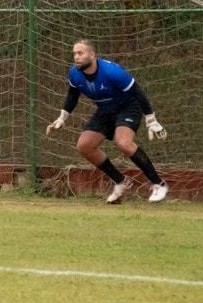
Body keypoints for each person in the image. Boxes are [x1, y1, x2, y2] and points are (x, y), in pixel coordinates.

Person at [45, 39, 169, 204]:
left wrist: (151, 119)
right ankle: (121, 182)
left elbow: (138, 92)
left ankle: (159, 184)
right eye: (74, 53)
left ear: (92, 55)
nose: (76, 57)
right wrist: (62, 118)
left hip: (128, 107)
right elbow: (72, 95)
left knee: (123, 143)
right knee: (85, 146)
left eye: (80, 53)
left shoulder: (112, 72)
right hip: (105, 110)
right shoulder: (74, 73)